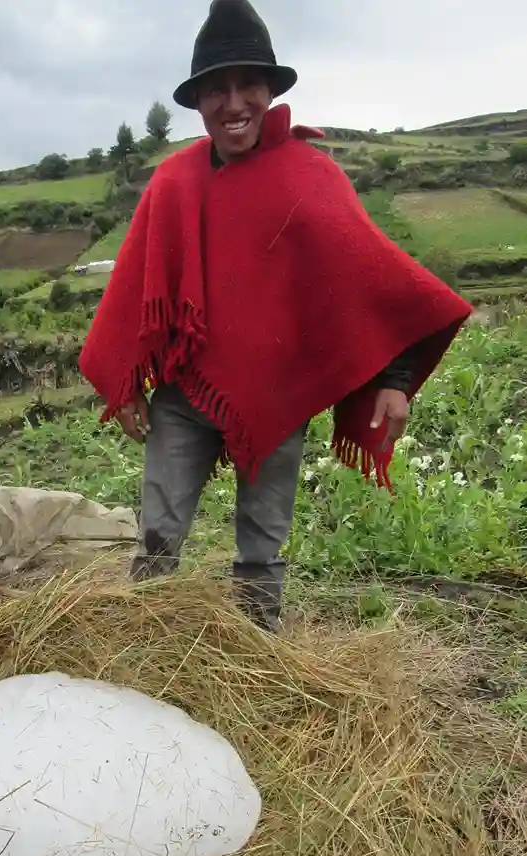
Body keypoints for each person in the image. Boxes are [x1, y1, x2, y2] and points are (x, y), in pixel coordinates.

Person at [79, 0, 472, 631]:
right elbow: (136, 289)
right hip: (184, 391)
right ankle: (140, 640)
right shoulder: (174, 183)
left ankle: (259, 647)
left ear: (269, 91)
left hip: (278, 392)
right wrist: (125, 378)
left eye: (248, 85)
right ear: (199, 101)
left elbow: (368, 283)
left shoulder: (309, 177)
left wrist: (395, 382)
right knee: (158, 534)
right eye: (216, 89)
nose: (234, 103)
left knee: (263, 545)